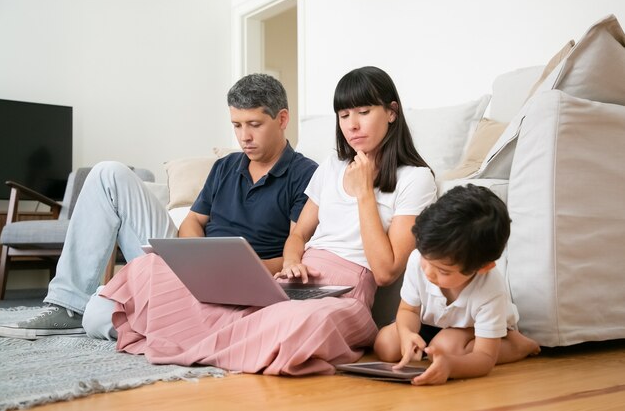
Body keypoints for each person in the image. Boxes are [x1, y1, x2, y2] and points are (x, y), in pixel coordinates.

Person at [83, 66, 438, 375]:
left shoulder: (415, 178)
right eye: (344, 115)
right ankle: (225, 341)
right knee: (150, 269)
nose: (353, 125)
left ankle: (191, 338)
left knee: (300, 324)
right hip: (299, 279)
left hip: (347, 292)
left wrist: (364, 194)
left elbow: (387, 270)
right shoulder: (333, 167)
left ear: (392, 112)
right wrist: (294, 262)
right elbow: (298, 232)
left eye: (363, 112)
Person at [0, 73, 317, 340]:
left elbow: (296, 247)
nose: (244, 136)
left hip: (245, 277)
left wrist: (238, 269)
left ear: (282, 119)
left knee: (99, 316)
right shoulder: (227, 166)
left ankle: (174, 323)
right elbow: (193, 221)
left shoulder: (305, 174)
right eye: (236, 125)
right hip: (189, 263)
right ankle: (68, 305)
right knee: (108, 172)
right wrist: (198, 258)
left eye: (254, 124)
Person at [373, 184, 541, 385]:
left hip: (472, 327)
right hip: (432, 323)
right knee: (385, 344)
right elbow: (408, 310)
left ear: (483, 267)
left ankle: (517, 345)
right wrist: (407, 334)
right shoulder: (421, 258)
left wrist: (451, 366)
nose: (428, 272)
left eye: (443, 271)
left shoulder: (490, 289)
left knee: (445, 348)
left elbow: (485, 359)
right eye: (426, 260)